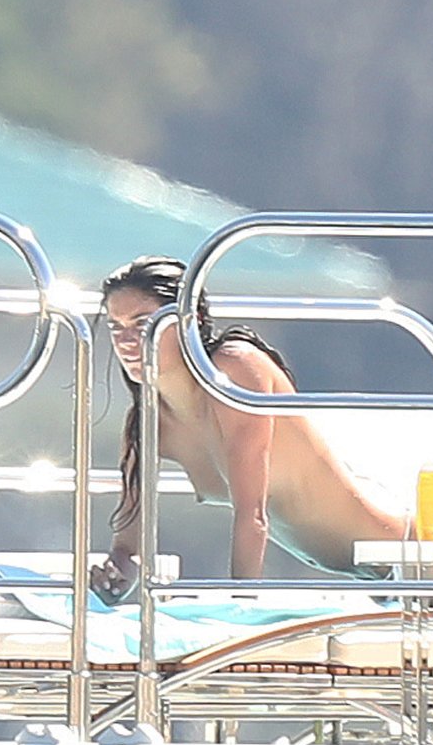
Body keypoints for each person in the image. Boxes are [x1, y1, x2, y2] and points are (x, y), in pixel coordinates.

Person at [90, 256, 408, 601]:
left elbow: (252, 515)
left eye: (143, 324)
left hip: (415, 558)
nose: (126, 341)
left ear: (191, 320)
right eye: (115, 327)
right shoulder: (146, 422)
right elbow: (128, 545)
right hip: (373, 581)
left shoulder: (236, 371)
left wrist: (240, 606)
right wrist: (114, 577)